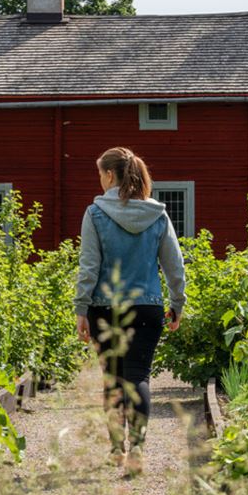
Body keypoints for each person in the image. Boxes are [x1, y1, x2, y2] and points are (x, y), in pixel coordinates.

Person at [74, 147, 187, 475]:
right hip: (147, 308)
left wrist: (81, 308)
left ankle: (116, 451)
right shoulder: (158, 215)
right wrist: (177, 303)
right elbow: (174, 265)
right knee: (138, 377)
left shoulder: (95, 213)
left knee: (112, 379)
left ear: (110, 175)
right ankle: (137, 450)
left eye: (100, 173)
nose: (99, 180)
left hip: (105, 309)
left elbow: (89, 266)